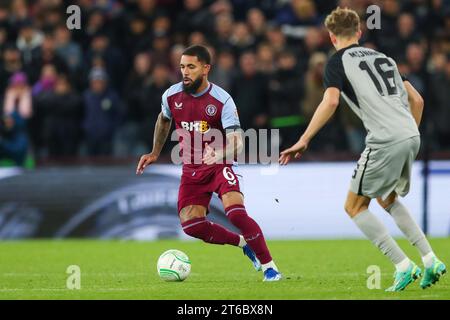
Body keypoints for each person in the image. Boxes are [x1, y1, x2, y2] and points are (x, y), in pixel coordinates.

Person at [279, 7, 446, 291]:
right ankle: (430, 259)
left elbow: (330, 102)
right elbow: (416, 99)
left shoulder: (337, 61)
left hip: (384, 139)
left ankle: (403, 266)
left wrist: (305, 138)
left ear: (332, 37)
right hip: (410, 134)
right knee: (387, 198)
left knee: (354, 206)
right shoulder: (385, 58)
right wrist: (408, 134)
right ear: (358, 32)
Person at [136, 45, 281, 281]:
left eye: (191, 67)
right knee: (191, 225)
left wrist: (221, 153)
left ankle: (270, 268)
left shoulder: (222, 100)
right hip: (191, 168)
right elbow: (164, 120)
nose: (185, 72)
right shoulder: (171, 96)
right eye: (182, 66)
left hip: (220, 165)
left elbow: (238, 142)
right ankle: (244, 244)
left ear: (206, 69)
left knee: (235, 214)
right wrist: (154, 152)